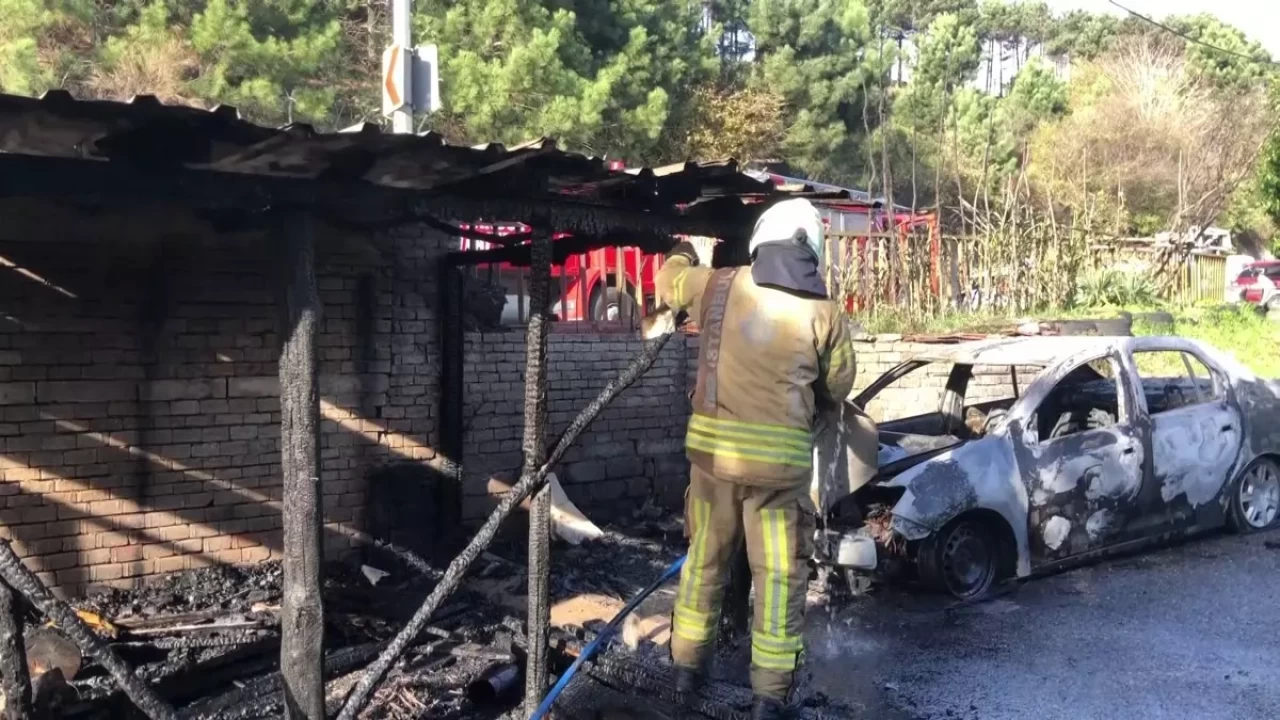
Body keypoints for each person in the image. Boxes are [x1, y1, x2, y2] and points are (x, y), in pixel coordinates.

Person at [657, 198, 856, 719]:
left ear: (760, 238)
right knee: (778, 581)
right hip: (779, 479)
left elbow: (667, 282)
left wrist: (680, 250)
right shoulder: (825, 312)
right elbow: (839, 386)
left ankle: (685, 673)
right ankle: (769, 697)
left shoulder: (717, 284)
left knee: (704, 564)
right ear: (812, 250)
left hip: (714, 468)